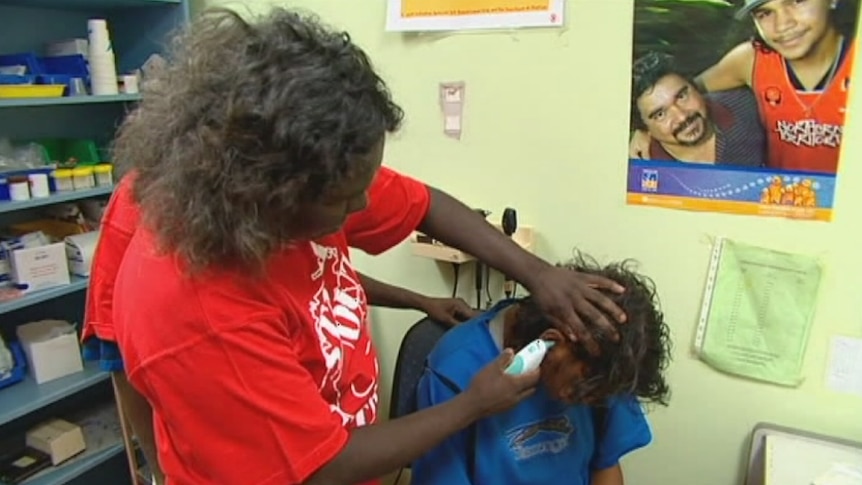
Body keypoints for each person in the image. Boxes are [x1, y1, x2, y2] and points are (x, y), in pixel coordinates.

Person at [87, 7, 631, 485]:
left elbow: (420, 207)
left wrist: (538, 273)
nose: (365, 203)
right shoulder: (196, 307)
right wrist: (473, 405)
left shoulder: (300, 180)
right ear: (268, 193)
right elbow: (322, 467)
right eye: (347, 198)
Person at [81, 175, 479, 484]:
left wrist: (416, 299)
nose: (360, 204)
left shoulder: (288, 191)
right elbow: (120, 359)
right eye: (345, 198)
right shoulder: (191, 288)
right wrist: (160, 474)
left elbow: (316, 273)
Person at [412, 256, 672, 485]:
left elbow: (605, 465)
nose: (591, 401)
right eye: (580, 393)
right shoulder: (454, 371)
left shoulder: (607, 360)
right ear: (553, 343)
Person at [630, 0, 856, 174]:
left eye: (797, 0)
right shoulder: (750, 60)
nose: (783, 24)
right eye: (765, 13)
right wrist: (643, 128)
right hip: (777, 198)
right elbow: (679, 91)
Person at [631, 51, 765, 167]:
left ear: (696, 88)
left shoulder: (747, 106)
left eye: (682, 96)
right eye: (660, 114)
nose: (682, 116)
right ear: (644, 128)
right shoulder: (638, 166)